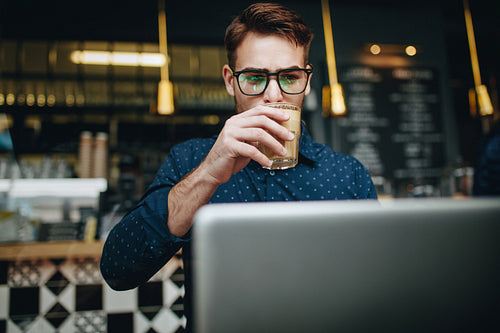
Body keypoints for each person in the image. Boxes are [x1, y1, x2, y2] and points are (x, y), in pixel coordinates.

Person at [100, 3, 377, 331]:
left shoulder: (346, 175)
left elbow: (377, 289)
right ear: (231, 81)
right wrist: (209, 172)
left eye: (289, 77)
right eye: (256, 77)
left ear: (307, 80)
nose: (273, 95)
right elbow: (119, 271)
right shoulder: (190, 160)